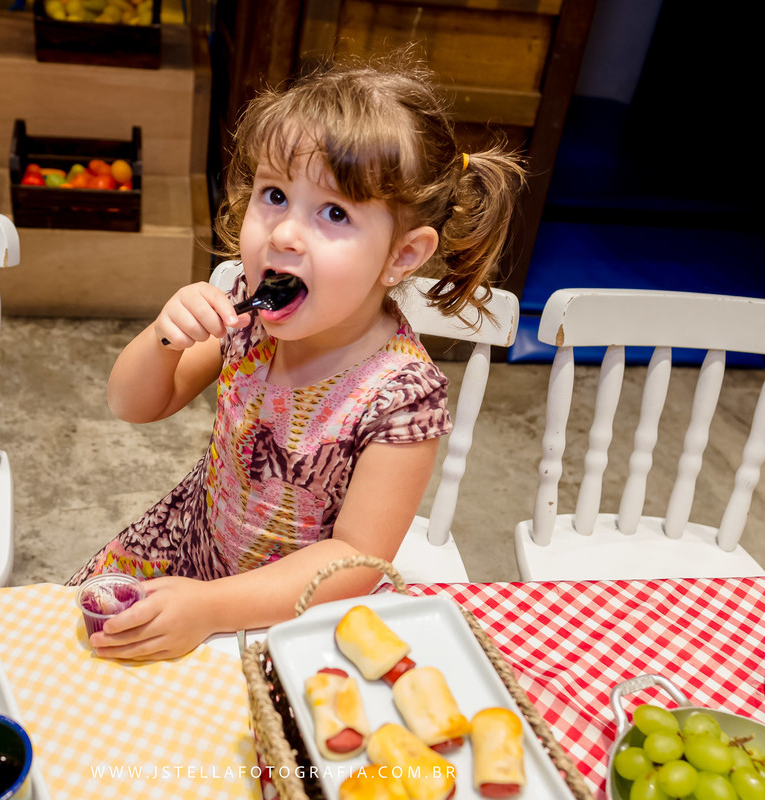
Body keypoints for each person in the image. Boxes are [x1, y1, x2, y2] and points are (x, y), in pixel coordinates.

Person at [67, 54, 526, 659]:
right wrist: (164, 337)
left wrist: (211, 609)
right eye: (275, 194)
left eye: (334, 212)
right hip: (189, 548)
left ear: (402, 256)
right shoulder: (246, 314)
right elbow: (134, 405)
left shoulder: (402, 400)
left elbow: (353, 562)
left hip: (291, 612)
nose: (284, 233)